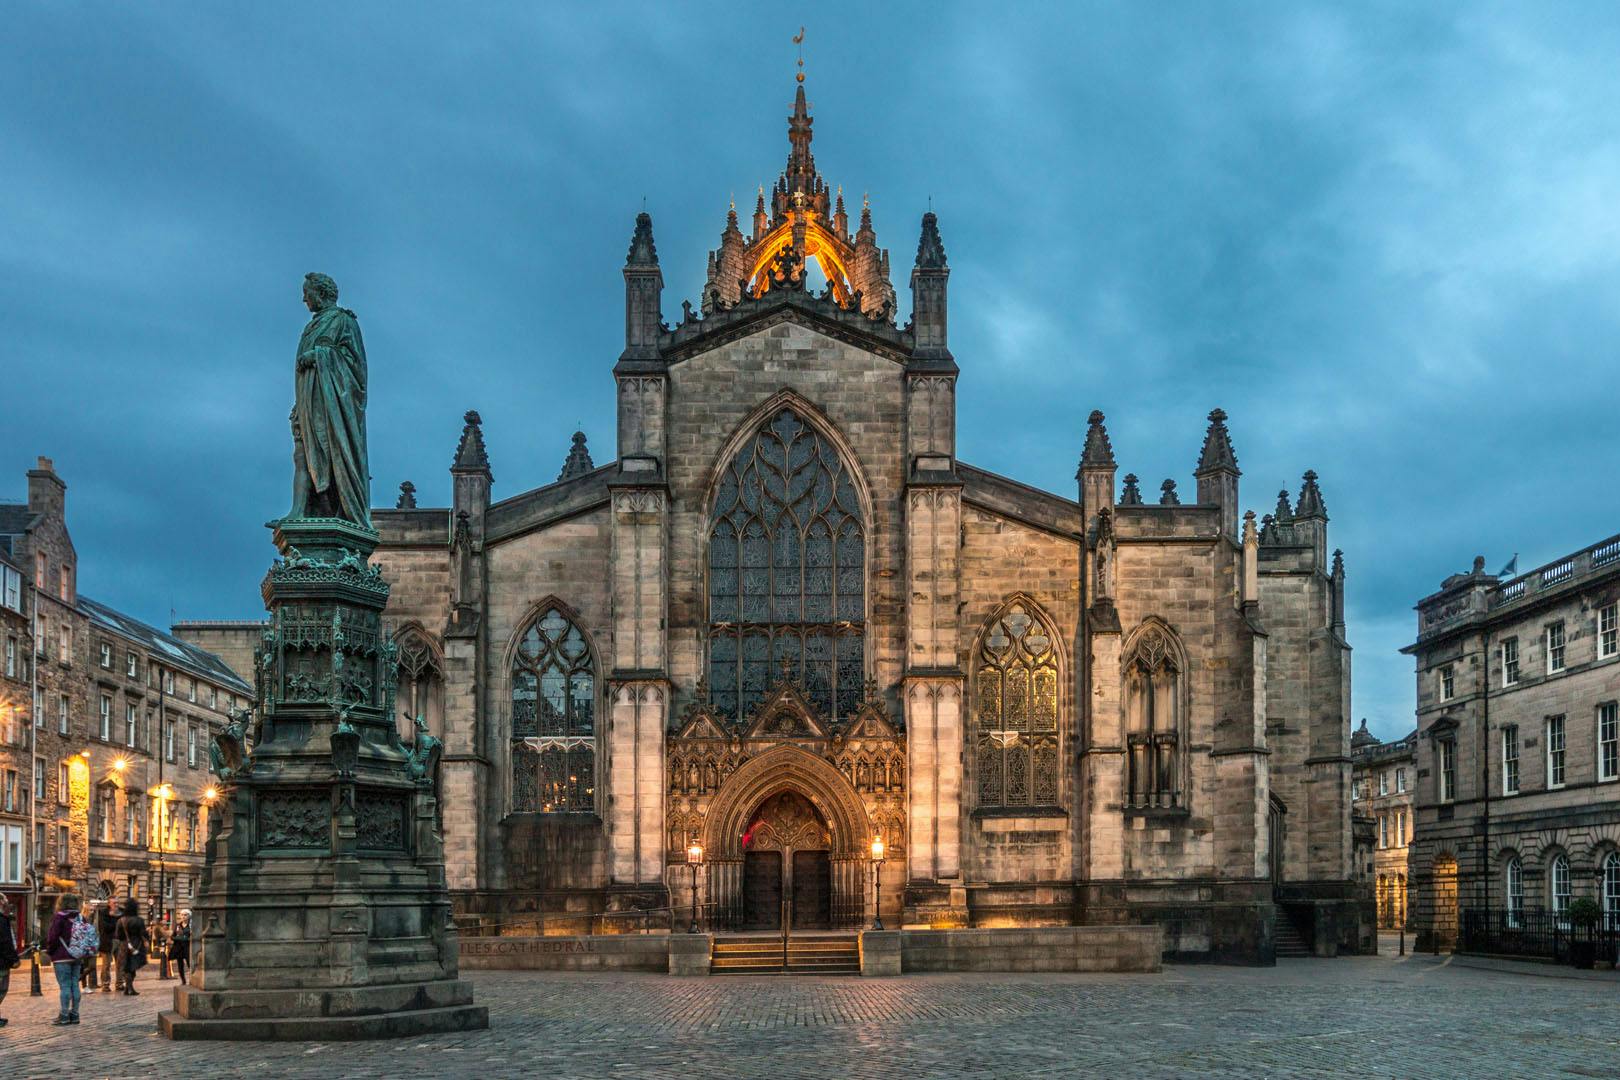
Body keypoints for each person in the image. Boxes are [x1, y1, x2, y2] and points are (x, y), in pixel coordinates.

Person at [43, 893, 85, 1025]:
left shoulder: (59, 918)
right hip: (77, 956)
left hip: (61, 956)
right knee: (75, 985)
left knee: (65, 986)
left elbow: (53, 937)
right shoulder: (81, 918)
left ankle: (64, 1015)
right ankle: (75, 1014)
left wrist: (50, 951)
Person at [113, 899, 147, 996]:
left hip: (124, 946)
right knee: (132, 968)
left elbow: (117, 935)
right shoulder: (139, 920)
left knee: (126, 967)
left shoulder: (121, 920)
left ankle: (128, 989)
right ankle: (130, 988)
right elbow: (143, 934)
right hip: (136, 945)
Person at [0, 895, 18, 1027]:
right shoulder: (1, 920)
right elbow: (5, 941)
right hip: (1, 962)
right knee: (2, 988)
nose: (7, 901)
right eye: (5, 899)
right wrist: (13, 959)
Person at [95, 897, 118, 992]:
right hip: (107, 941)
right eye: (114, 903)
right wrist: (114, 919)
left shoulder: (120, 912)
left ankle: (120, 983)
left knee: (120, 964)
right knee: (106, 964)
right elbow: (105, 927)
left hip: (119, 940)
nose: (116, 905)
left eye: (117, 903)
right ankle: (105, 984)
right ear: (109, 903)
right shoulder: (103, 913)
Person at [171, 910, 191, 985]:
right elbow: (172, 936)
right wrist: (179, 938)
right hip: (179, 948)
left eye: (185, 915)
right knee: (180, 965)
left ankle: (192, 980)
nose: (183, 916)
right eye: (182, 915)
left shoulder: (191, 925)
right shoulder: (178, 926)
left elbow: (193, 937)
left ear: (189, 916)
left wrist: (186, 938)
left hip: (188, 947)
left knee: (190, 964)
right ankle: (183, 981)